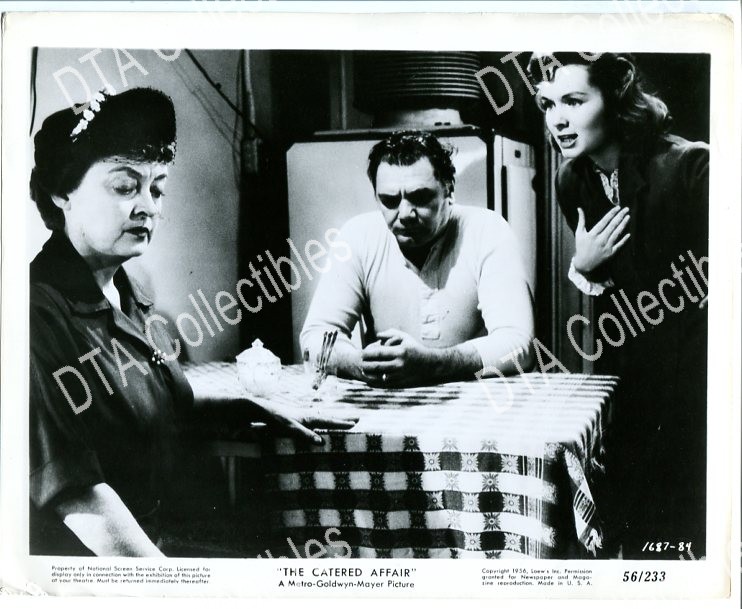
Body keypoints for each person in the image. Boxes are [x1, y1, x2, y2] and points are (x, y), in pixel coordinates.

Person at [29, 87, 356, 557]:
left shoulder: (129, 296)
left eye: (157, 187)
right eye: (125, 187)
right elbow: (79, 496)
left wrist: (251, 409)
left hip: (163, 543)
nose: (149, 207)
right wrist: (173, 584)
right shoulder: (35, 316)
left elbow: (162, 407)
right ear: (62, 192)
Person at [528, 53, 709, 558]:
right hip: (627, 382)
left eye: (573, 101)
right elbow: (613, 289)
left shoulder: (692, 167)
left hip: (697, 384)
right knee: (628, 533)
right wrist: (583, 268)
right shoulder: (571, 180)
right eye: (548, 104)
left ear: (614, 99)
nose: (558, 119)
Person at [300, 131, 534, 387]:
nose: (404, 214)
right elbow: (314, 337)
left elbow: (518, 346)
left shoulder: (487, 230)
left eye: (420, 197)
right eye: (389, 201)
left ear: (449, 189)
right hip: (390, 404)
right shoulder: (357, 235)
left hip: (477, 404)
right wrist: (361, 364)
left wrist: (432, 364)